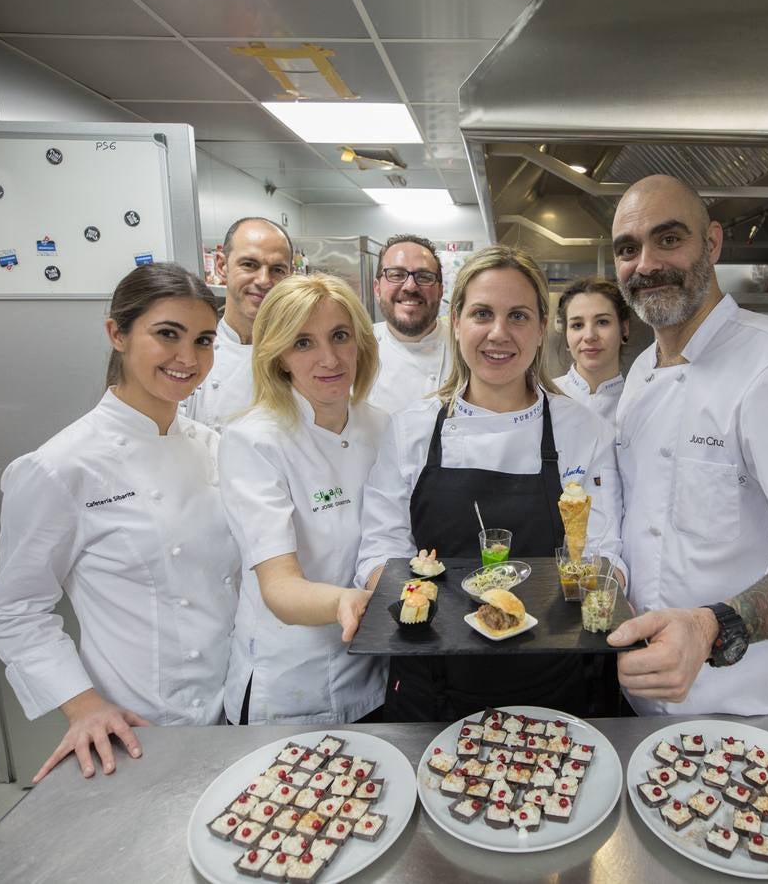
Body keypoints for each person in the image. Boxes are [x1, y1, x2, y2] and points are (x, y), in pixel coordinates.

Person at [603, 175, 768, 716]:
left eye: (669, 239)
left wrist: (710, 628)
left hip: (747, 706)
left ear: (714, 243)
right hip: (640, 698)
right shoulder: (640, 374)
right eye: (628, 249)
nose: (646, 264)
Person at [0, 263, 240, 782]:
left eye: (204, 340)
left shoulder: (214, 448)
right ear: (116, 333)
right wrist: (81, 704)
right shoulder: (61, 467)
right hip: (140, 724)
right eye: (167, 334)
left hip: (235, 708)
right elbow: (13, 610)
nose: (188, 358)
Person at [356, 245, 625, 721]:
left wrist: (598, 589)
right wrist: (412, 597)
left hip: (556, 679)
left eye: (518, 316)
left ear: (542, 328)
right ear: (455, 321)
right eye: (482, 313)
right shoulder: (412, 428)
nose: (499, 333)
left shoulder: (583, 430)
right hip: (431, 679)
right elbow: (380, 550)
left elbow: (606, 554)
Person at [217, 273, 388, 725]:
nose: (329, 358)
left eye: (340, 336)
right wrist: (345, 603)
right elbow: (280, 588)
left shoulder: (383, 428)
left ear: (360, 343)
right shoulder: (254, 440)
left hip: (372, 670)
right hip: (289, 680)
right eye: (303, 343)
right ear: (279, 357)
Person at [180, 217, 293, 431]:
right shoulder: (192, 352)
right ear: (222, 266)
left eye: (278, 270)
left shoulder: (299, 353)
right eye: (249, 265)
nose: (263, 280)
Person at [370, 233, 451, 412]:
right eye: (396, 275)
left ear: (440, 291)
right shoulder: (356, 348)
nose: (410, 286)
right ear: (377, 288)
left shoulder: (466, 350)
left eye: (424, 276)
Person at [553, 277, 632, 423]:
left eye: (602, 322)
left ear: (624, 329)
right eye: (577, 325)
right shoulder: (542, 397)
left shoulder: (639, 402)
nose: (589, 336)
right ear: (566, 334)